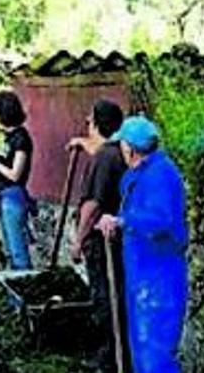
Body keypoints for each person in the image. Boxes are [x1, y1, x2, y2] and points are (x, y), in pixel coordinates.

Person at [95, 116, 187, 373]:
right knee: (142, 351)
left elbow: (161, 219)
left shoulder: (160, 175)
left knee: (155, 356)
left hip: (158, 280)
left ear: (129, 149)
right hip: (143, 276)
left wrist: (122, 221)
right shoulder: (141, 172)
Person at [67, 99, 127, 373]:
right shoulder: (121, 153)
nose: (87, 127)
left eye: (89, 122)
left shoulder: (104, 157)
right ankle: (118, 357)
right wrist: (82, 143)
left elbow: (92, 205)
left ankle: (108, 361)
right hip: (120, 240)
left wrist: (78, 241)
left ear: (98, 124)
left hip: (102, 243)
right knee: (117, 300)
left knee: (104, 300)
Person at [0, 90, 34, 270]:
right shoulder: (2, 136)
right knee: (10, 252)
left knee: (18, 252)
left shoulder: (21, 138)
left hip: (12, 198)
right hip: (0, 196)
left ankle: (24, 294)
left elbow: (15, 174)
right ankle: (14, 296)